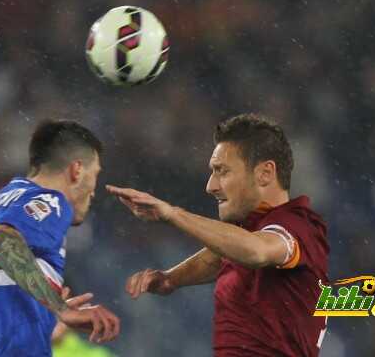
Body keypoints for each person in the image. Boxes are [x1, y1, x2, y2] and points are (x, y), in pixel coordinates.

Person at [107, 113, 329, 356]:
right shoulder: (245, 234)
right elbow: (221, 254)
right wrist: (171, 279)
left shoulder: (297, 226)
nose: (210, 186)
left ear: (265, 173)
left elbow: (257, 251)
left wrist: (173, 214)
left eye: (222, 171)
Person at [0, 120, 120, 357]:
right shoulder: (51, 201)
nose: (93, 190)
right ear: (77, 170)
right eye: (95, 174)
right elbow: (1, 240)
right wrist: (61, 310)